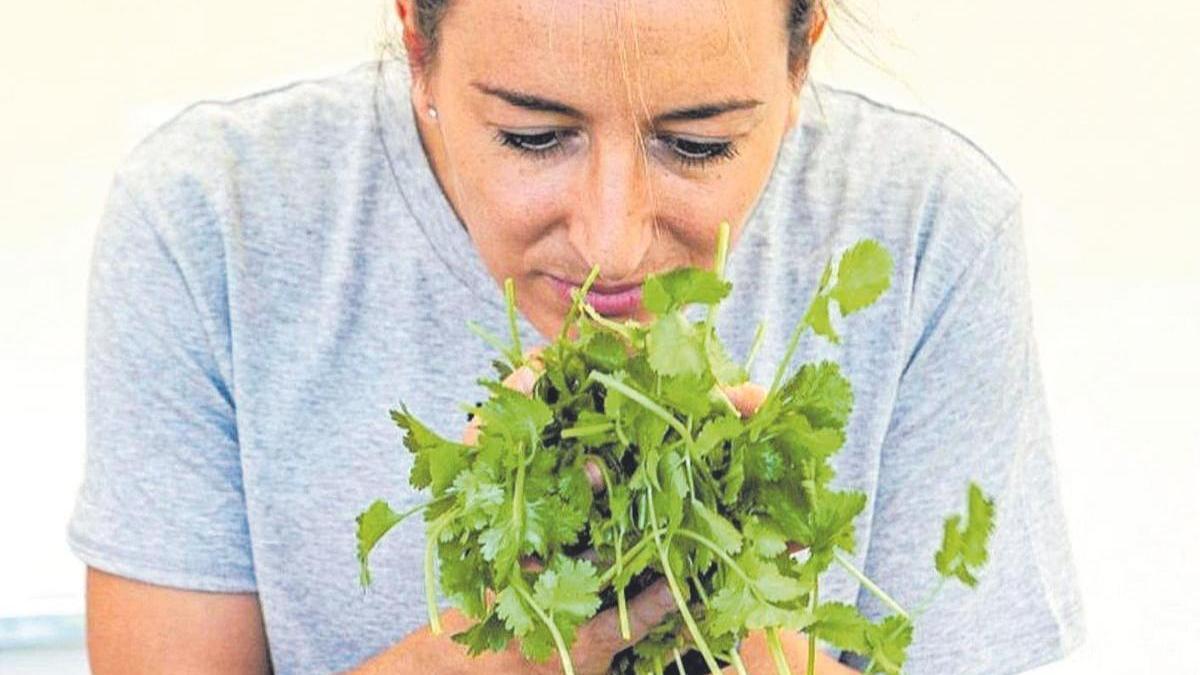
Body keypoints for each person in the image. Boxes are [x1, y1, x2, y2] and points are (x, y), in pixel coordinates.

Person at [68, 0, 1086, 673]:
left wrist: (738, 613)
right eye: (532, 136)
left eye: (698, 145)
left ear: (801, 55)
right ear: (418, 47)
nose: (611, 241)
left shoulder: (928, 231)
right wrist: (488, 652)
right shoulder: (213, 217)